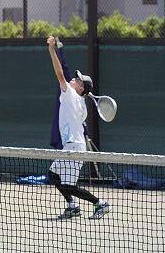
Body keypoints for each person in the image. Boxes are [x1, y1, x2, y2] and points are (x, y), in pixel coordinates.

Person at [46, 36, 110, 219]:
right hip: (72, 146)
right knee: (54, 175)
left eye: (77, 79)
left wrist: (51, 49)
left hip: (74, 147)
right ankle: (72, 206)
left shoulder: (70, 96)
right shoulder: (80, 103)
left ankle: (100, 203)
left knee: (65, 184)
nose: (73, 79)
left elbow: (59, 73)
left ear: (81, 88)